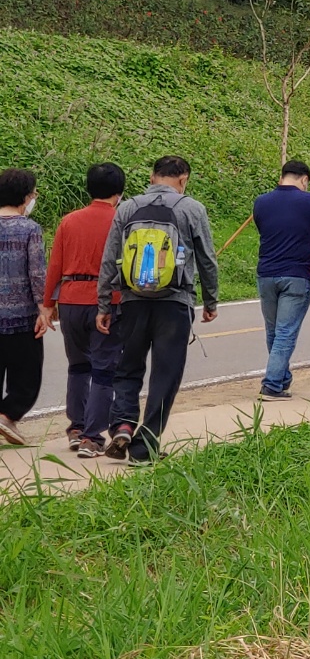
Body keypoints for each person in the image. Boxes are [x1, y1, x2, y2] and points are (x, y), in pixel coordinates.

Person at [98, 155, 220, 465]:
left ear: (152, 177)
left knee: (128, 368)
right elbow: (207, 259)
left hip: (132, 302)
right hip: (174, 303)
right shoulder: (191, 208)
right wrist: (210, 301)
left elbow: (110, 258)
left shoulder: (127, 208)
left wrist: (103, 303)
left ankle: (123, 424)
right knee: (165, 376)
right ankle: (143, 448)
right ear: (183, 180)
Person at [40, 162, 124, 455]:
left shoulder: (69, 221)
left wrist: (48, 305)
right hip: (107, 301)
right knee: (104, 370)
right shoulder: (121, 221)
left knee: (77, 366)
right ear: (120, 191)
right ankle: (93, 436)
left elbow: (55, 266)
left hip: (71, 299)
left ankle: (76, 427)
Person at [251, 160, 310, 402]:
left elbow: (264, 228)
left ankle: (281, 379)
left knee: (274, 331)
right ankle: (271, 385)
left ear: (282, 177)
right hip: (297, 274)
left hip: (267, 273)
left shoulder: (261, 202)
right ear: (304, 179)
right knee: (285, 332)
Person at [0, 169, 49, 446]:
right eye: (33, 193)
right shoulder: (30, 229)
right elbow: (37, 273)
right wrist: (44, 309)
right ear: (25, 196)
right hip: (22, 317)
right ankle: (7, 415)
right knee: (27, 376)